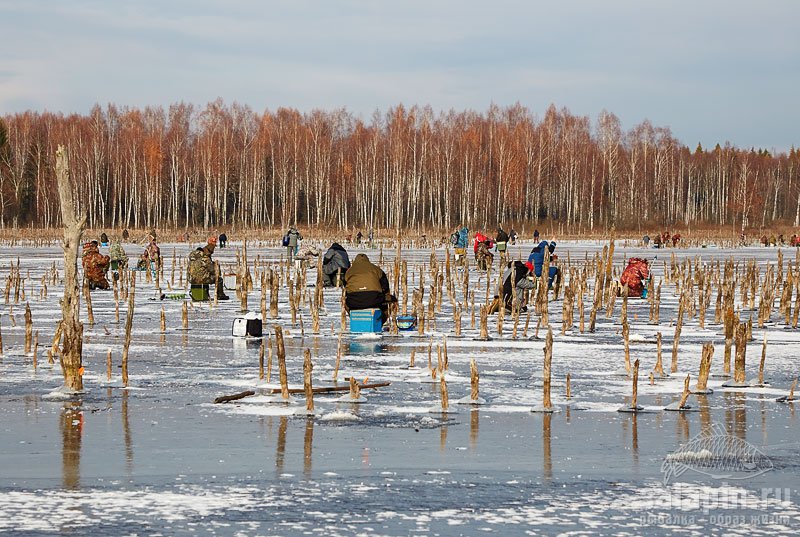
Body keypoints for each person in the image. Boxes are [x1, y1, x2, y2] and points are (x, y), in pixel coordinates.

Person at [344, 253, 396, 324]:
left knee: (345, 302)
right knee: (391, 301)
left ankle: (356, 321)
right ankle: (379, 322)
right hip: (374, 299)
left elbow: (345, 287)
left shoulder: (349, 271)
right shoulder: (377, 269)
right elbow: (385, 287)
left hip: (354, 301)